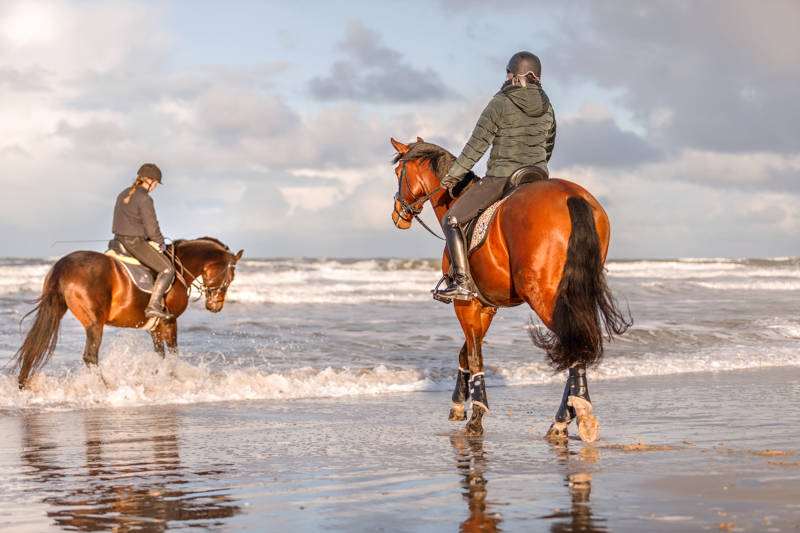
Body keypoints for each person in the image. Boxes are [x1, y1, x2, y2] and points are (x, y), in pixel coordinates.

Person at [435, 51, 557, 301]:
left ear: (514, 74)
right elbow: (549, 144)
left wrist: (453, 175)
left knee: (453, 219)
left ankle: (462, 283)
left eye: (508, 72)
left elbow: (477, 145)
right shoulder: (547, 105)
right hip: (537, 178)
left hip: (503, 177)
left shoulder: (500, 102)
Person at [111, 163, 176, 320]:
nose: (155, 187)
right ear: (150, 181)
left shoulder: (123, 194)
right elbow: (152, 228)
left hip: (118, 240)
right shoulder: (145, 198)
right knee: (168, 270)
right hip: (134, 243)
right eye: (155, 184)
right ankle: (153, 306)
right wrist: (160, 242)